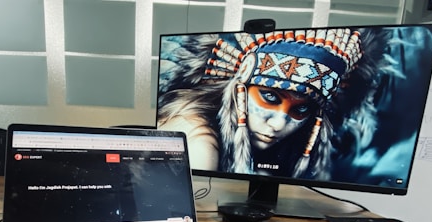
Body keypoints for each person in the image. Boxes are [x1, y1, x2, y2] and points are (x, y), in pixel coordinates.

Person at [157, 28, 386, 179]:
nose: (277, 124)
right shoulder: (195, 135)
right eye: (270, 97)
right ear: (240, 87)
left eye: (301, 109)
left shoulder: (297, 145)